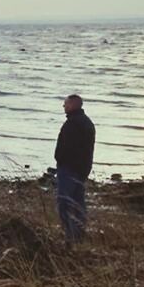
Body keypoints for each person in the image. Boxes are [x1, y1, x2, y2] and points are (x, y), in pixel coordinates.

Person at [54, 94, 95, 246]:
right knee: (78, 204)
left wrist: (61, 160)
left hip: (70, 169)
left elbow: (69, 148)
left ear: (73, 105)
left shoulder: (73, 124)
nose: (63, 106)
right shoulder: (85, 122)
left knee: (64, 203)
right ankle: (78, 235)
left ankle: (71, 237)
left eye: (66, 103)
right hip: (81, 169)